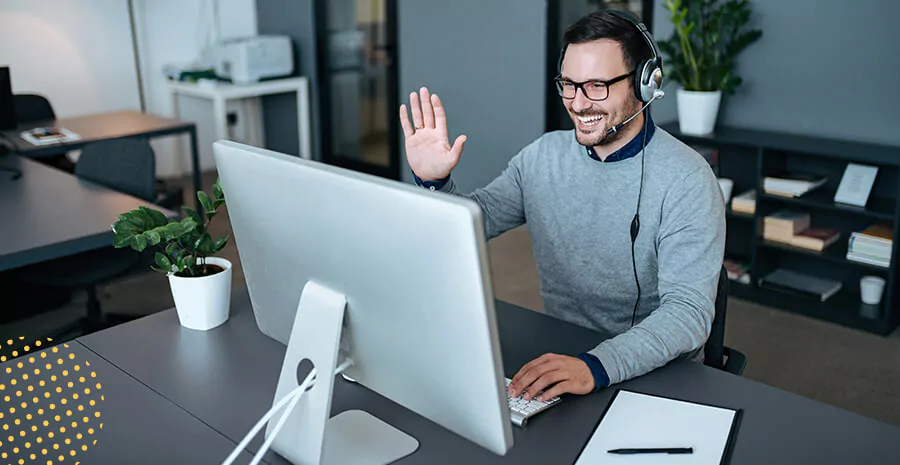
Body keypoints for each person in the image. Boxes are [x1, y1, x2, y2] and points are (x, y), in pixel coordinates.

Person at [399, 11, 725, 402]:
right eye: (569, 84)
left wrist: (595, 366)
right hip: (562, 354)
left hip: (656, 372)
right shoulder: (542, 157)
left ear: (644, 84)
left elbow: (687, 314)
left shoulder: (687, 179)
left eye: (596, 86)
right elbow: (472, 223)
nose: (578, 103)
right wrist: (434, 182)